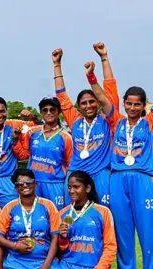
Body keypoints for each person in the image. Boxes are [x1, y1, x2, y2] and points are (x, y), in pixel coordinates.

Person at [85, 60, 153, 269]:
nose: (132, 108)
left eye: (137, 104)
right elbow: (101, 97)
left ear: (144, 106)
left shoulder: (149, 122)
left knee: (147, 232)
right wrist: (91, 76)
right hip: (117, 179)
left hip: (142, 179)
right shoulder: (116, 120)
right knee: (122, 233)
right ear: (124, 103)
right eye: (129, 104)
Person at [52, 47, 113, 207]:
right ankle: (72, 232)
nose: (88, 106)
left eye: (92, 101)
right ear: (78, 106)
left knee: (104, 211)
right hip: (76, 172)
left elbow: (110, 89)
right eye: (84, 103)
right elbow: (62, 96)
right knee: (71, 213)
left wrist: (104, 57)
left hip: (100, 173)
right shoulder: (75, 121)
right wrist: (57, 64)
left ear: (98, 103)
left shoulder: (108, 119)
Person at [0, 96, 40, 208]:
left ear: (7, 111)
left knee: (9, 212)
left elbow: (41, 126)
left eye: (2, 111)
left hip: (8, 179)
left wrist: (32, 117)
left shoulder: (15, 124)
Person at [14, 97, 73, 210]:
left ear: (59, 112)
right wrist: (15, 140)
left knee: (56, 218)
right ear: (41, 112)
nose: (48, 112)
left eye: (52, 109)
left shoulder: (66, 137)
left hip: (55, 185)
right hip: (32, 184)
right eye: (45, 110)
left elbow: (71, 165)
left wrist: (68, 188)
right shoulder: (32, 132)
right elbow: (23, 155)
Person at [0, 168, 59, 269]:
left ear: (35, 184)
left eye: (28, 182)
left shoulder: (49, 205)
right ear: (16, 188)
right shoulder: (9, 207)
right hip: (16, 262)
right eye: (20, 183)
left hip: (43, 260)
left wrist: (46, 265)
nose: (24, 185)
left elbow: (56, 237)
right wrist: (15, 246)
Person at [58, 170, 117, 269]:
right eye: (69, 187)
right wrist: (62, 238)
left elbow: (110, 247)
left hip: (93, 266)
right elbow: (60, 249)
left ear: (88, 188)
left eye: (76, 187)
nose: (71, 191)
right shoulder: (62, 214)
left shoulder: (103, 212)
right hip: (66, 265)